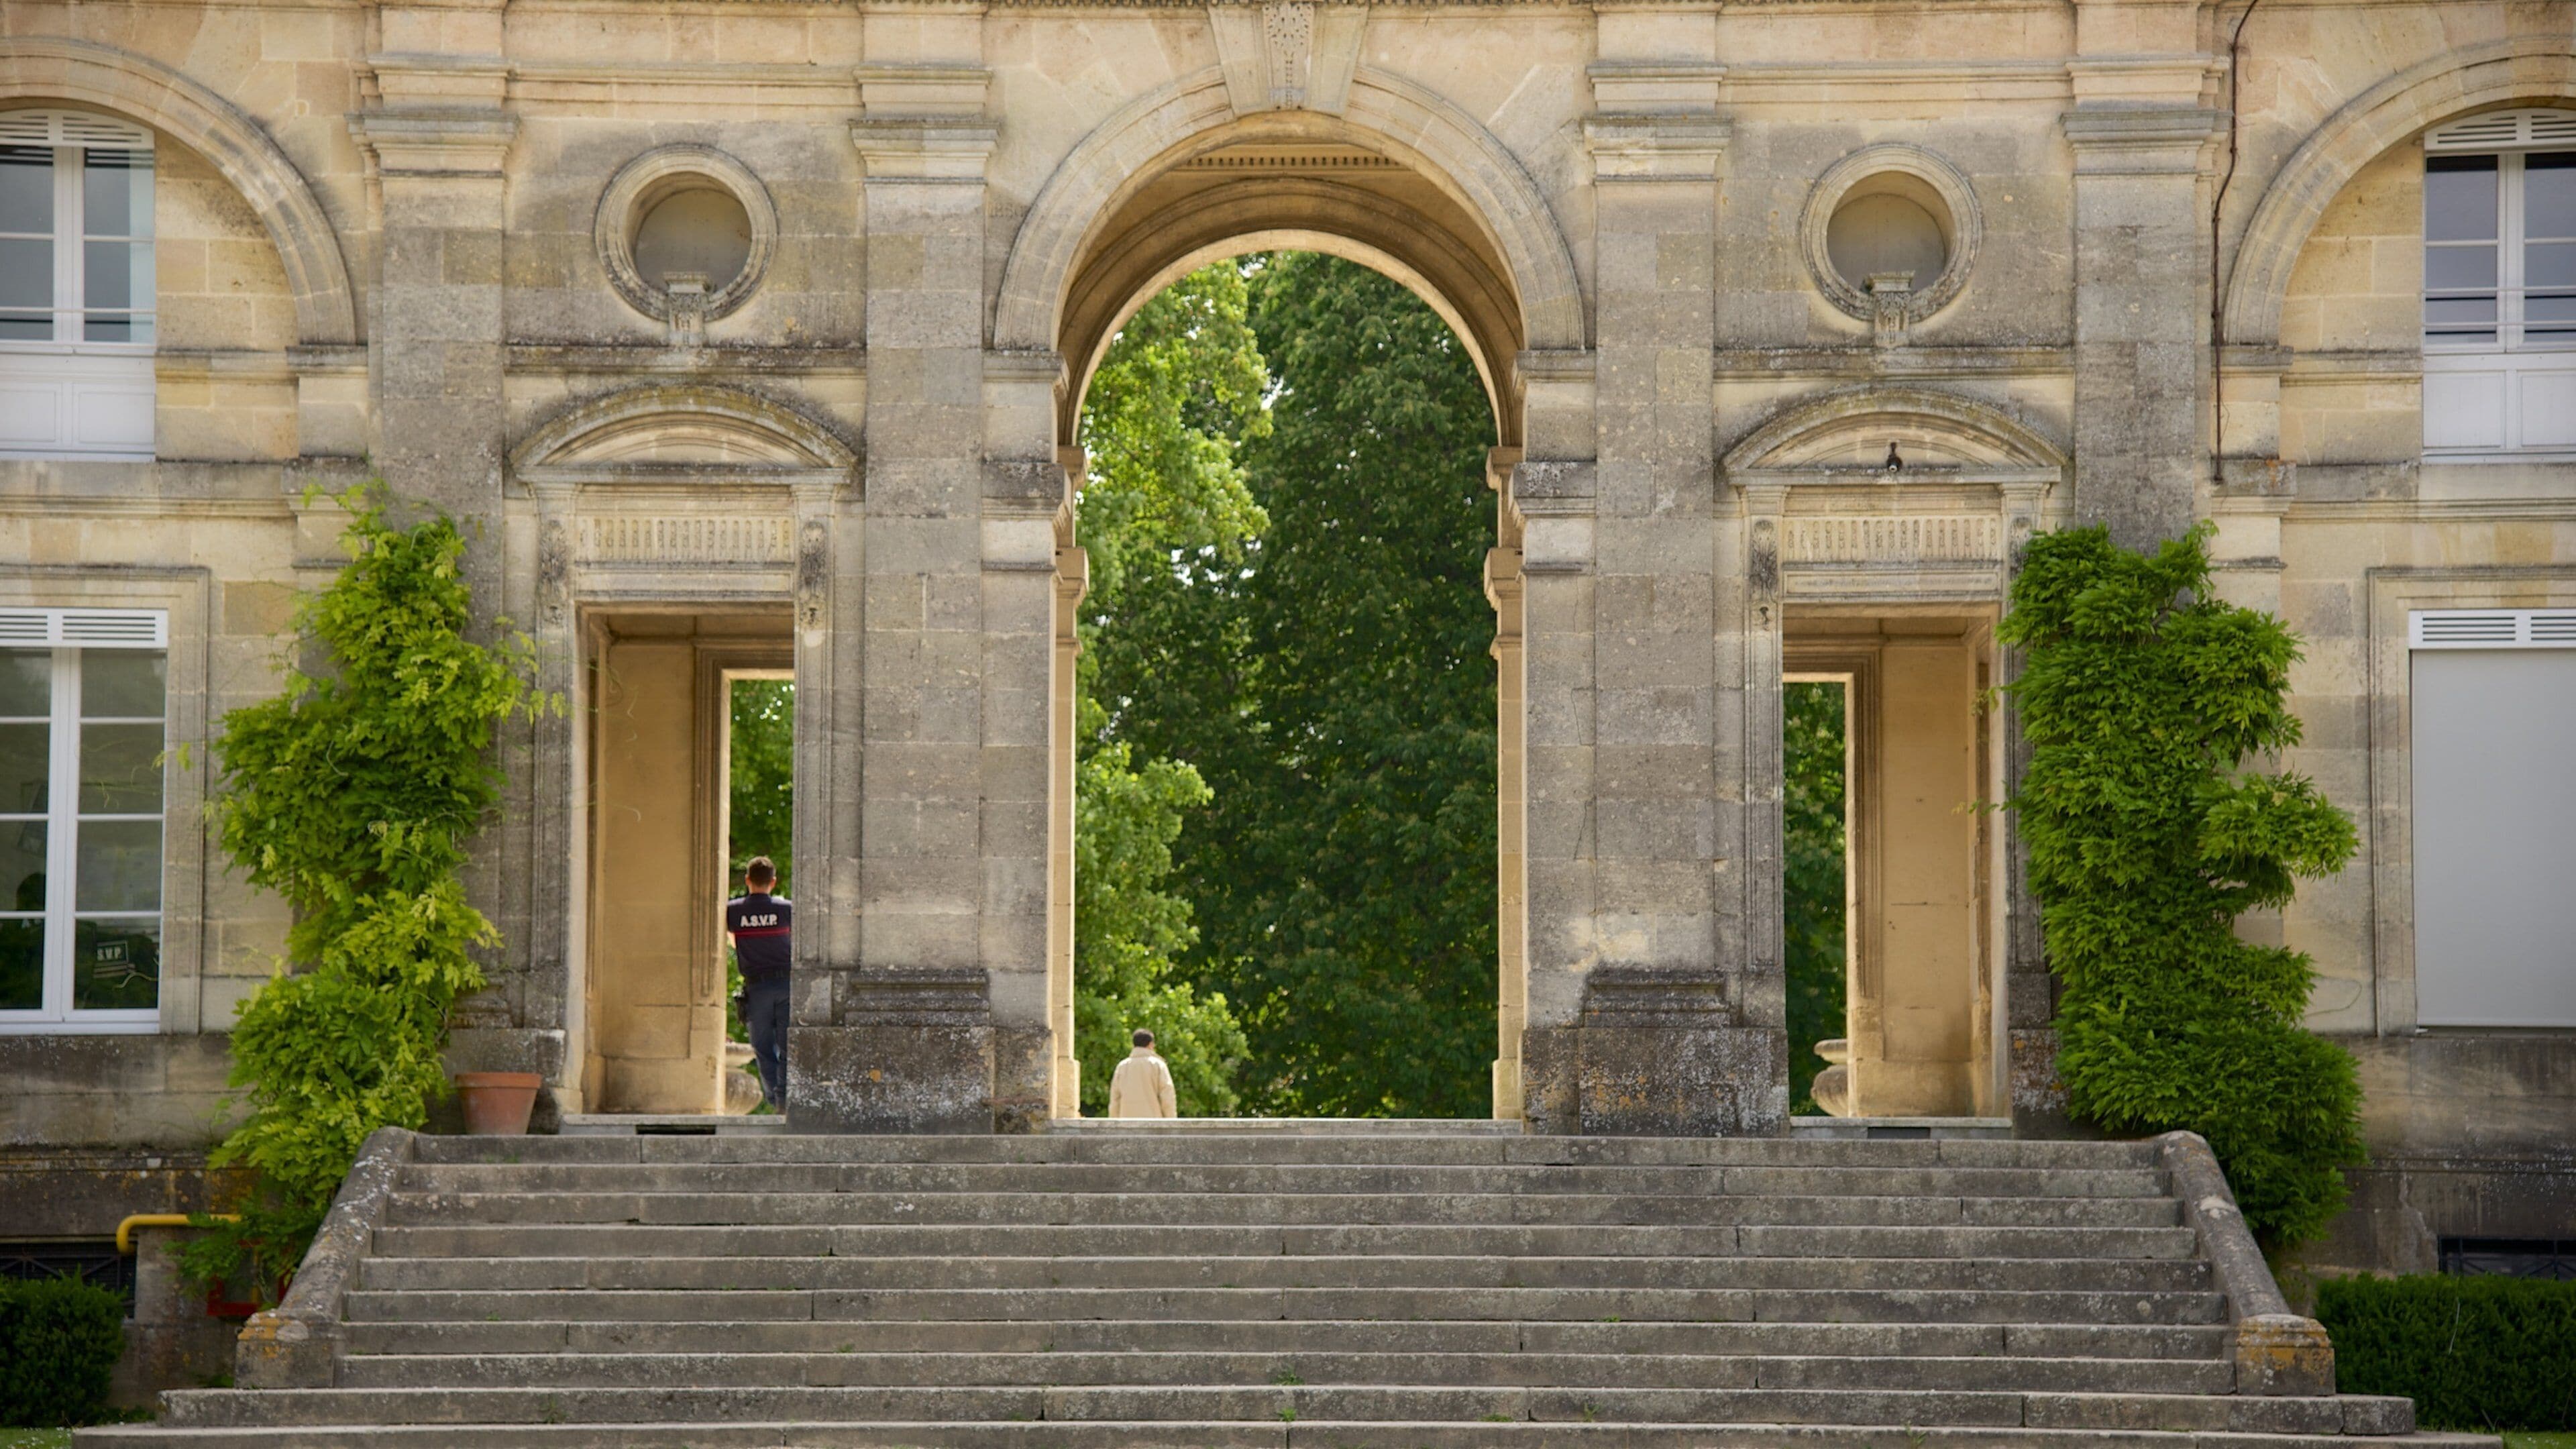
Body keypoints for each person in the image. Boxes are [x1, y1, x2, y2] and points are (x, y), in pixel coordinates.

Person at [724, 857, 791, 1111]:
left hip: (757, 988)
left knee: (762, 1049)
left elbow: (732, 942)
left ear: (747, 880)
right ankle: (785, 1100)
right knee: (787, 1047)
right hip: (786, 985)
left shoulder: (733, 911)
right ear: (773, 882)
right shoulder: (786, 909)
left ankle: (776, 1101)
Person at [1107, 1028, 1177, 1120]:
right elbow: (1167, 1098)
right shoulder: (1158, 1065)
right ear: (1151, 1044)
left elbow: (1115, 1100)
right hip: (1153, 1123)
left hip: (1126, 1123)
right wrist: (1171, 1121)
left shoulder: (1122, 1067)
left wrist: (1114, 1122)